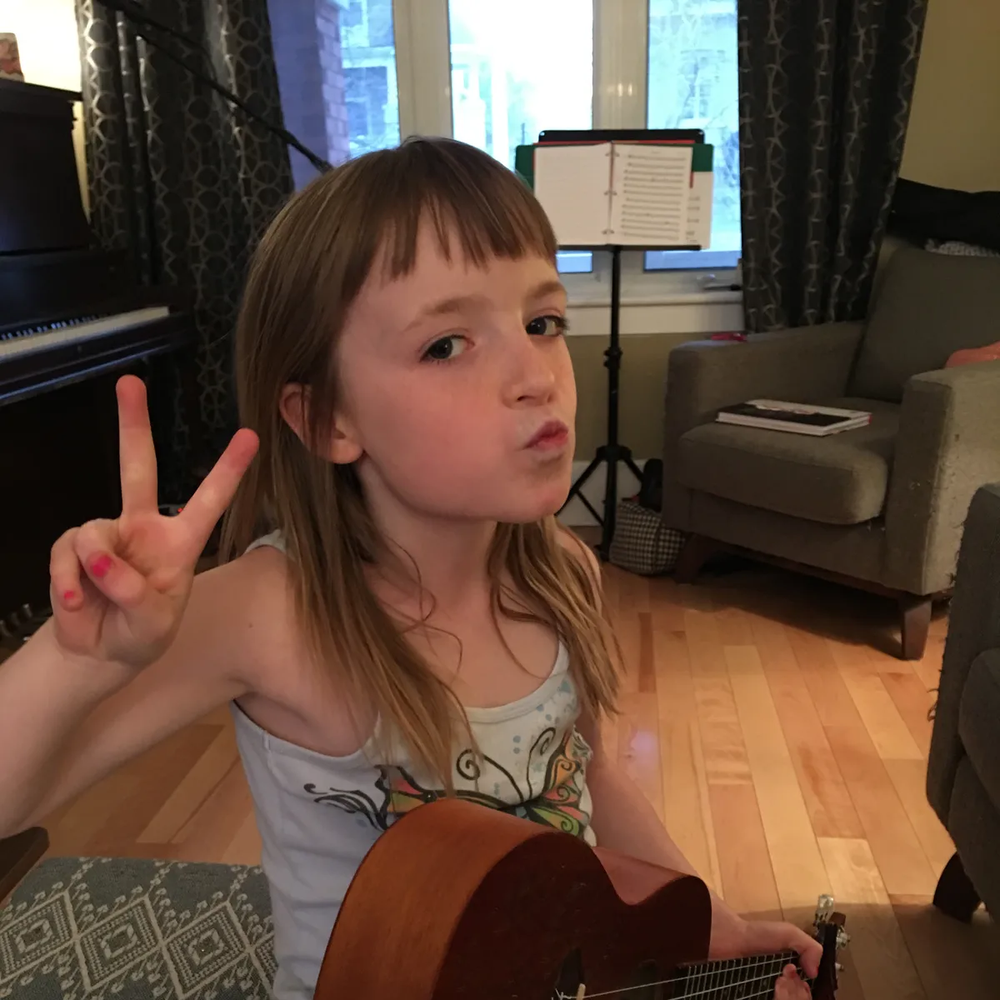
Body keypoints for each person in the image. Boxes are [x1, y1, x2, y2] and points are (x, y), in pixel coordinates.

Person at [0, 138, 816, 1000]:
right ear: (326, 421)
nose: (535, 374)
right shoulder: (274, 613)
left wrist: (711, 925)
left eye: (543, 322)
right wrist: (76, 661)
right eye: (447, 344)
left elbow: (592, 776)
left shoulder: (566, 572)